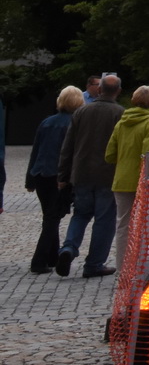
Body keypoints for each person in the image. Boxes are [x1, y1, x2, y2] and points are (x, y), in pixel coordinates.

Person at [56, 72, 125, 278]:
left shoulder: (81, 112)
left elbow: (68, 146)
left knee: (81, 214)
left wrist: (63, 175)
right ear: (118, 91)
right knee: (104, 220)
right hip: (107, 174)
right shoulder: (120, 113)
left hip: (82, 173)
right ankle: (94, 264)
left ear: (100, 89)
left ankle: (69, 247)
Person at [106, 84, 149, 267]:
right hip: (146, 181)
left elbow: (109, 155)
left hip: (122, 179)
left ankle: (123, 266)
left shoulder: (122, 123)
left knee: (123, 223)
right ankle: (141, 263)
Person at [25, 86, 82, 272]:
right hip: (59, 177)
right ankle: (39, 261)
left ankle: (51, 257)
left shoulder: (47, 122)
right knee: (52, 218)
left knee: (50, 216)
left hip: (41, 174)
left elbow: (36, 150)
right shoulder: (74, 123)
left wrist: (30, 179)